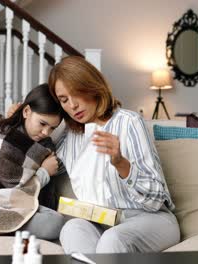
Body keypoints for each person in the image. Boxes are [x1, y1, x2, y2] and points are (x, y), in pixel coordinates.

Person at [47, 56, 180, 253]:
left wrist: (120, 163)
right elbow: (43, 165)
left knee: (113, 239)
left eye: (77, 93)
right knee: (71, 228)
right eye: (64, 100)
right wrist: (19, 122)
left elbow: (156, 199)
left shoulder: (129, 122)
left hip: (150, 219)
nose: (72, 105)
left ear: (92, 87)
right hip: (101, 221)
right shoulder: (72, 135)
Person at [0, 83, 65, 241]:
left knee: (57, 220)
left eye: (52, 128)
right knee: (55, 224)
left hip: (18, 205)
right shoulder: (5, 136)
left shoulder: (44, 145)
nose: (46, 132)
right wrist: (44, 173)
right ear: (26, 112)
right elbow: (10, 185)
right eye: (42, 124)